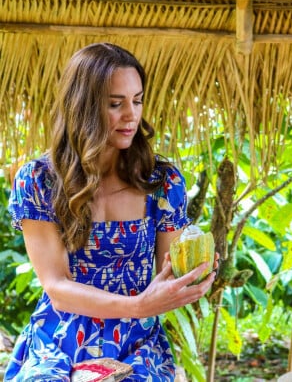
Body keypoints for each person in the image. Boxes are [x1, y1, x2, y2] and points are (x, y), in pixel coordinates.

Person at [5, 42, 217, 381]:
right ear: (83, 107)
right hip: (59, 339)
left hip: (136, 342)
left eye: (137, 100)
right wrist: (138, 306)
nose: (131, 115)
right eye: (116, 104)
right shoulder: (39, 180)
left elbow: (170, 274)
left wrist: (193, 279)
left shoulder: (162, 182)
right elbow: (57, 289)